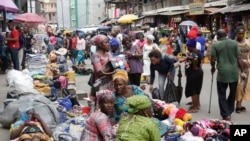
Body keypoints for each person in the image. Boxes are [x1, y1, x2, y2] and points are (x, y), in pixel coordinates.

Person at [211, 29, 244, 121]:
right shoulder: (234, 43)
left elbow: (213, 58)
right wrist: (242, 71)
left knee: (222, 94)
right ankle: (229, 111)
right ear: (226, 35)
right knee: (232, 93)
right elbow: (239, 58)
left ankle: (226, 114)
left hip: (222, 73)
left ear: (217, 36)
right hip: (233, 73)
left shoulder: (215, 44)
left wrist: (213, 68)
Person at [90, 34, 114, 100]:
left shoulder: (109, 54)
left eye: (108, 42)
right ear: (100, 44)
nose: (108, 44)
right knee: (102, 102)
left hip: (111, 82)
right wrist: (112, 67)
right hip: (101, 84)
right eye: (106, 42)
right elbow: (100, 72)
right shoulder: (96, 56)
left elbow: (114, 64)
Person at [184, 38, 204, 113]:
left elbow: (195, 59)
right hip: (197, 72)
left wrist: (194, 67)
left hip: (194, 73)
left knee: (194, 91)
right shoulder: (196, 51)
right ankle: (197, 104)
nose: (187, 48)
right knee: (196, 90)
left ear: (191, 46)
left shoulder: (194, 53)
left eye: (188, 46)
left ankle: (195, 107)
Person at [235, 26, 250, 113]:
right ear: (236, 33)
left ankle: (240, 104)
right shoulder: (234, 43)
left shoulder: (248, 42)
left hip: (246, 68)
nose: (241, 35)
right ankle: (237, 105)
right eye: (239, 34)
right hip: (237, 67)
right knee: (238, 86)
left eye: (242, 33)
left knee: (244, 86)